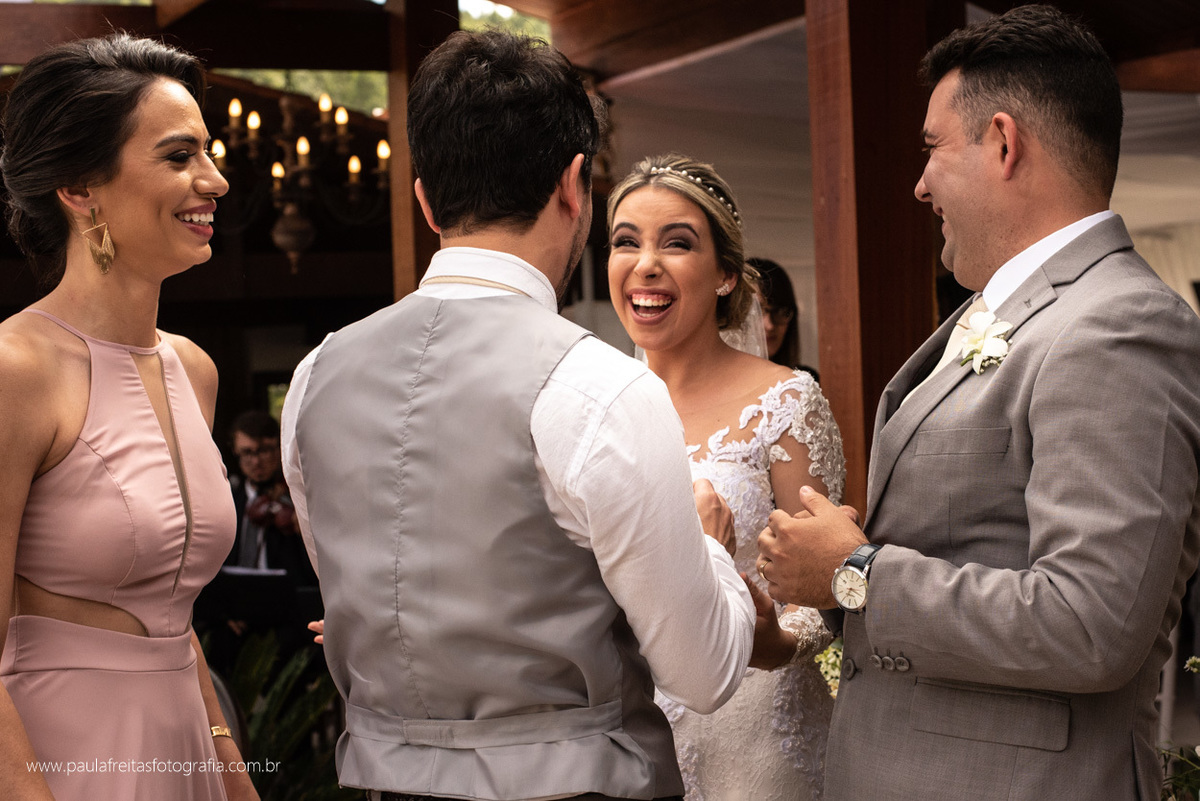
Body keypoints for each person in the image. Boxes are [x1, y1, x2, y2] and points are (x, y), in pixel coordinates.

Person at [280, 31, 756, 801]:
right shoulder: (599, 386)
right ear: (576, 184)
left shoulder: (316, 377)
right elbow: (703, 674)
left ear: (425, 197)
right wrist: (712, 551)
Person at [755, 6, 1200, 800]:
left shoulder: (1120, 325)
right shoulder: (999, 311)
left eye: (932, 148)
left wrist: (856, 572)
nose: (919, 183)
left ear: (1002, 142)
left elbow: (1090, 620)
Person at [0, 34, 257, 800]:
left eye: (208, 154)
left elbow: (173, 625)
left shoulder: (194, 370)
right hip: (60, 760)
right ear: (81, 187)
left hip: (186, 751)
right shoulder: (17, 370)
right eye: (179, 157)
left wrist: (230, 768)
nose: (214, 179)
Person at [607, 154, 846, 799]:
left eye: (676, 243)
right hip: (628, 738)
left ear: (725, 276)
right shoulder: (596, 409)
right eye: (625, 241)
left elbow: (825, 589)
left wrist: (773, 639)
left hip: (758, 737)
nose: (645, 263)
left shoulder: (786, 403)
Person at [747, 257, 819, 381]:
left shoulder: (806, 381)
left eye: (780, 312)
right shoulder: (720, 381)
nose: (769, 325)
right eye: (759, 311)